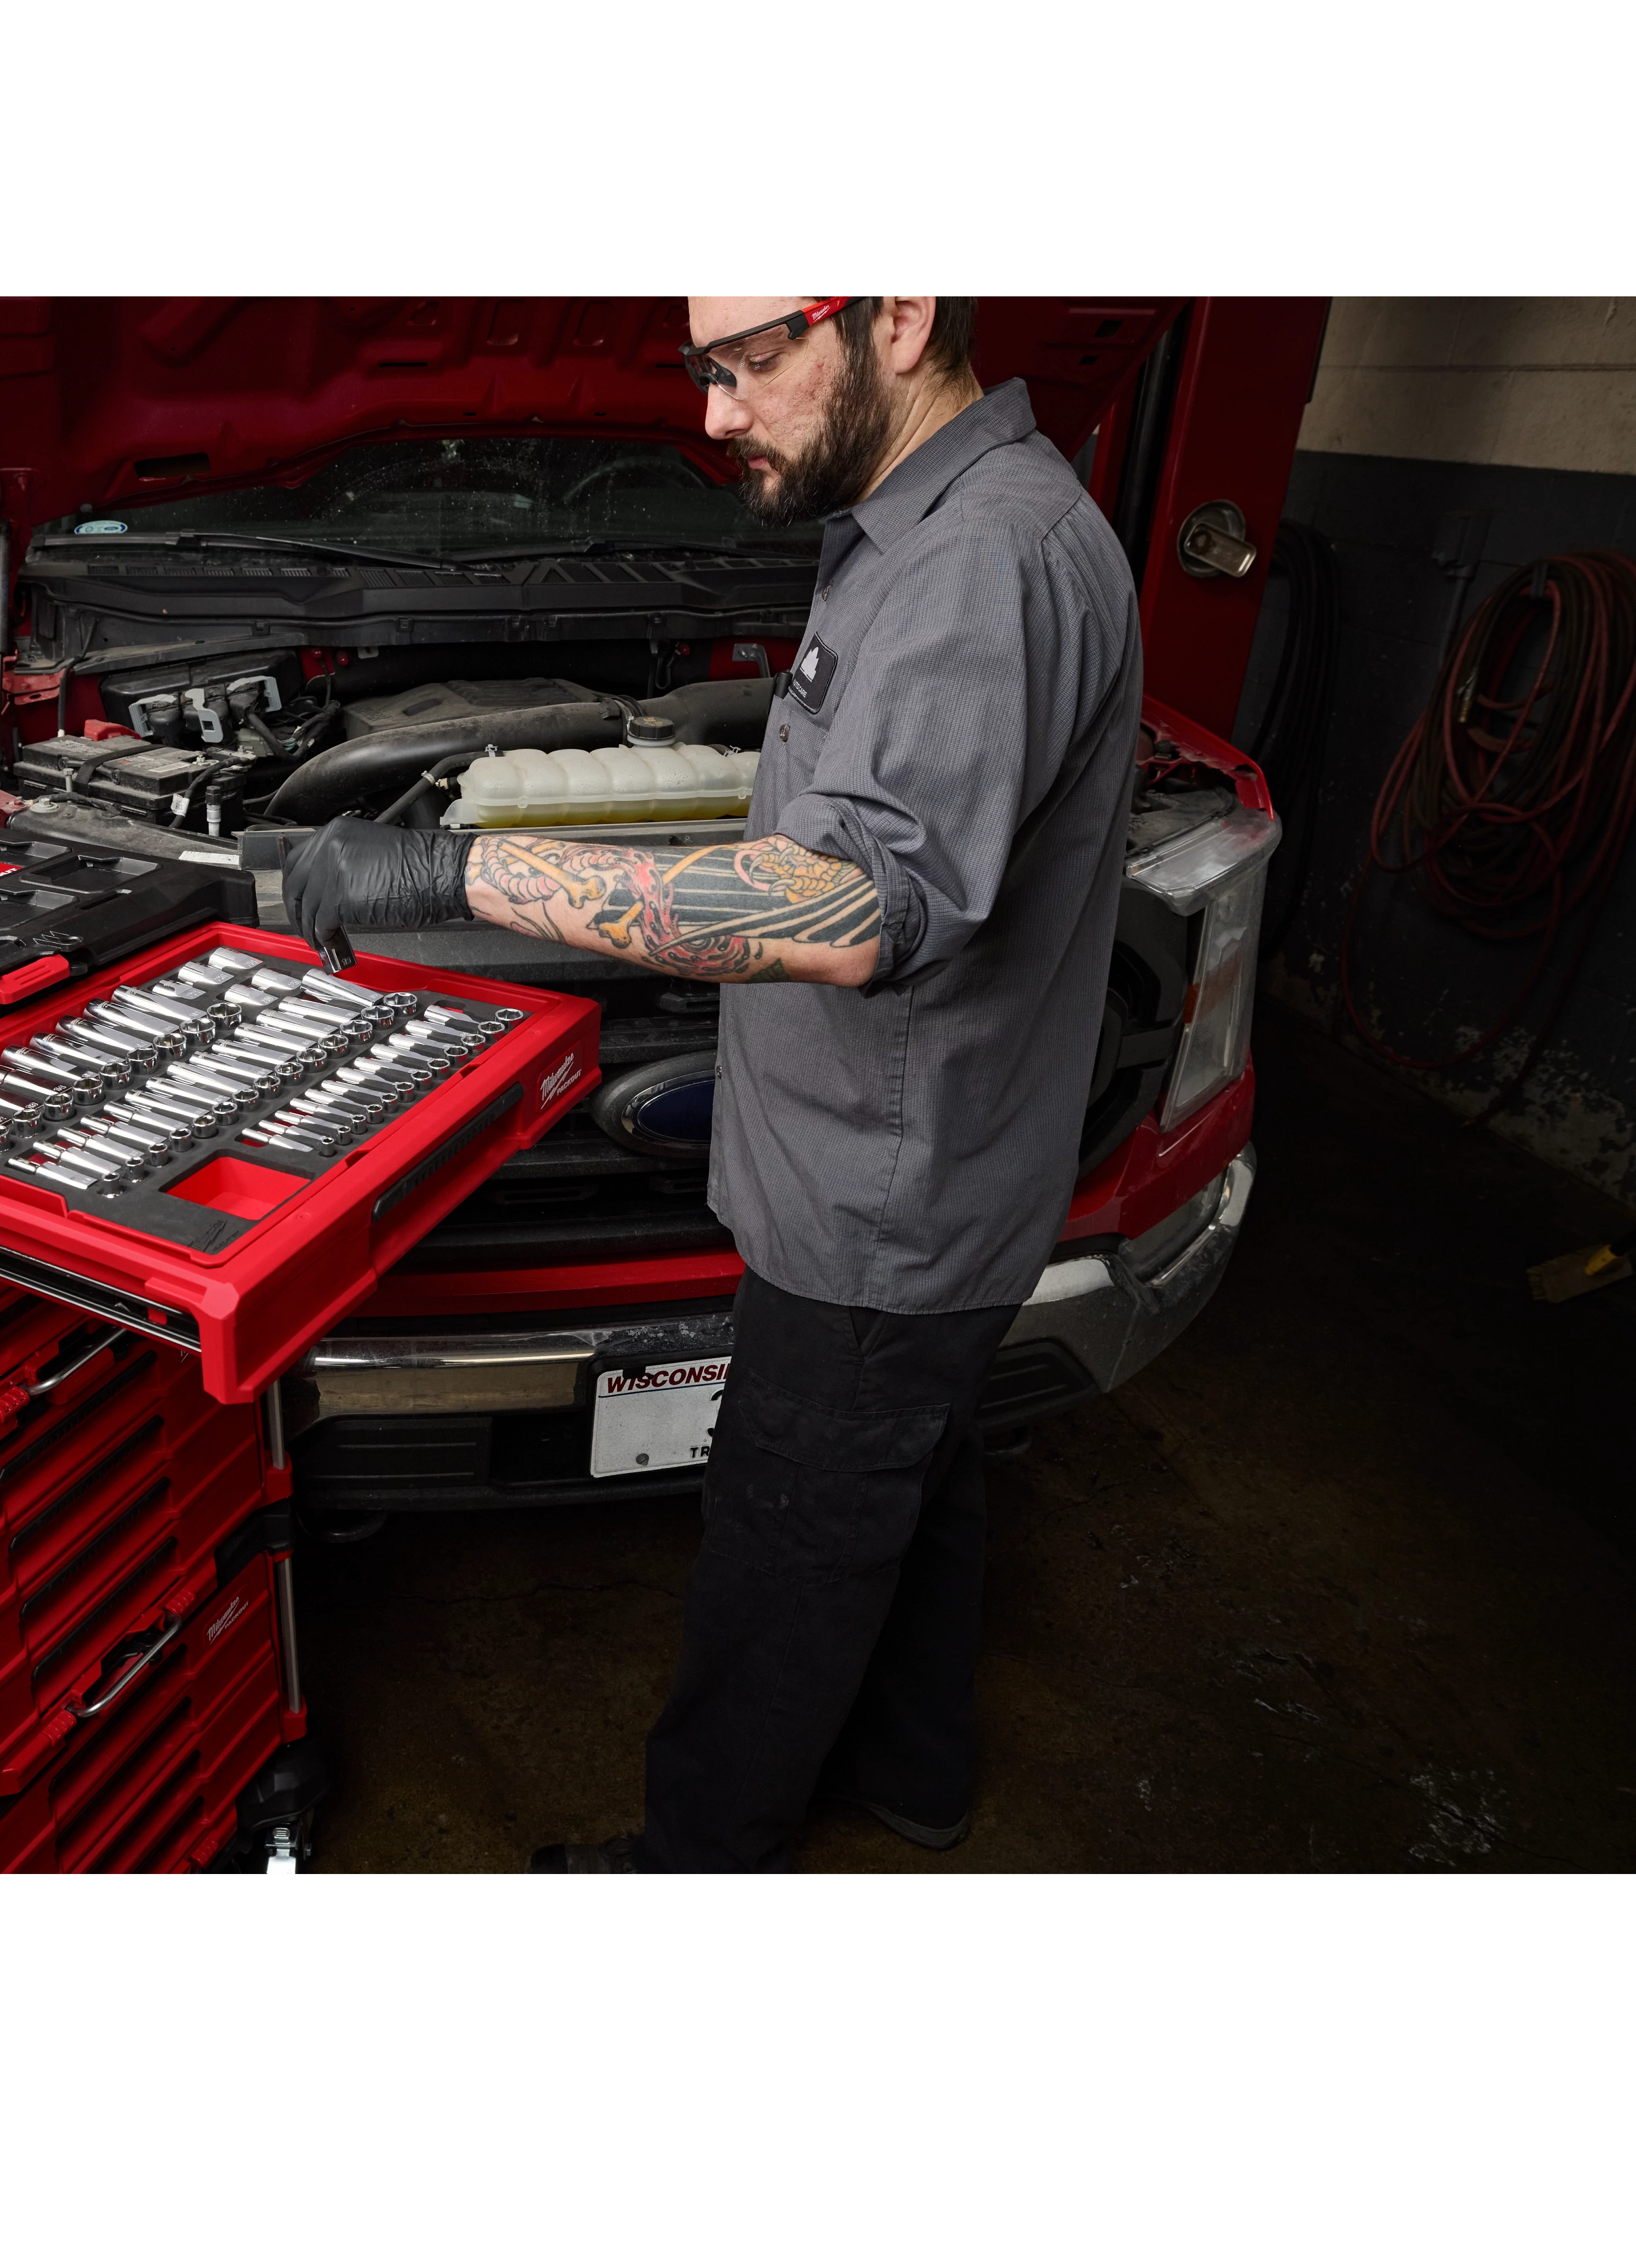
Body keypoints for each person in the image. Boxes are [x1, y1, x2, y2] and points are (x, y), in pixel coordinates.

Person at [280, 295, 1144, 1875]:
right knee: (919, 1487)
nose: (717, 416)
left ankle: (702, 1853)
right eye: (709, 370)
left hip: (881, 1204)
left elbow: (856, 909)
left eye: (753, 362)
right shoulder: (923, 521)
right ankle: (918, 1771)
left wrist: (449, 872)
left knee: (788, 1554)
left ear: (897, 316)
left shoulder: (978, 563)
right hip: (939, 1172)